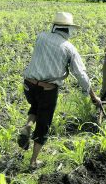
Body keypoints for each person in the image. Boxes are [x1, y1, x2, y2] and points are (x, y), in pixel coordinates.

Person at [18, 12, 101, 169]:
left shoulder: (41, 37)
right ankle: (33, 161)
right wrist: (93, 96)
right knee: (44, 122)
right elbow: (81, 75)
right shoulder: (69, 48)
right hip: (47, 89)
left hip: (28, 85)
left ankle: (27, 126)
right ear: (68, 29)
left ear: (55, 26)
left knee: (35, 106)